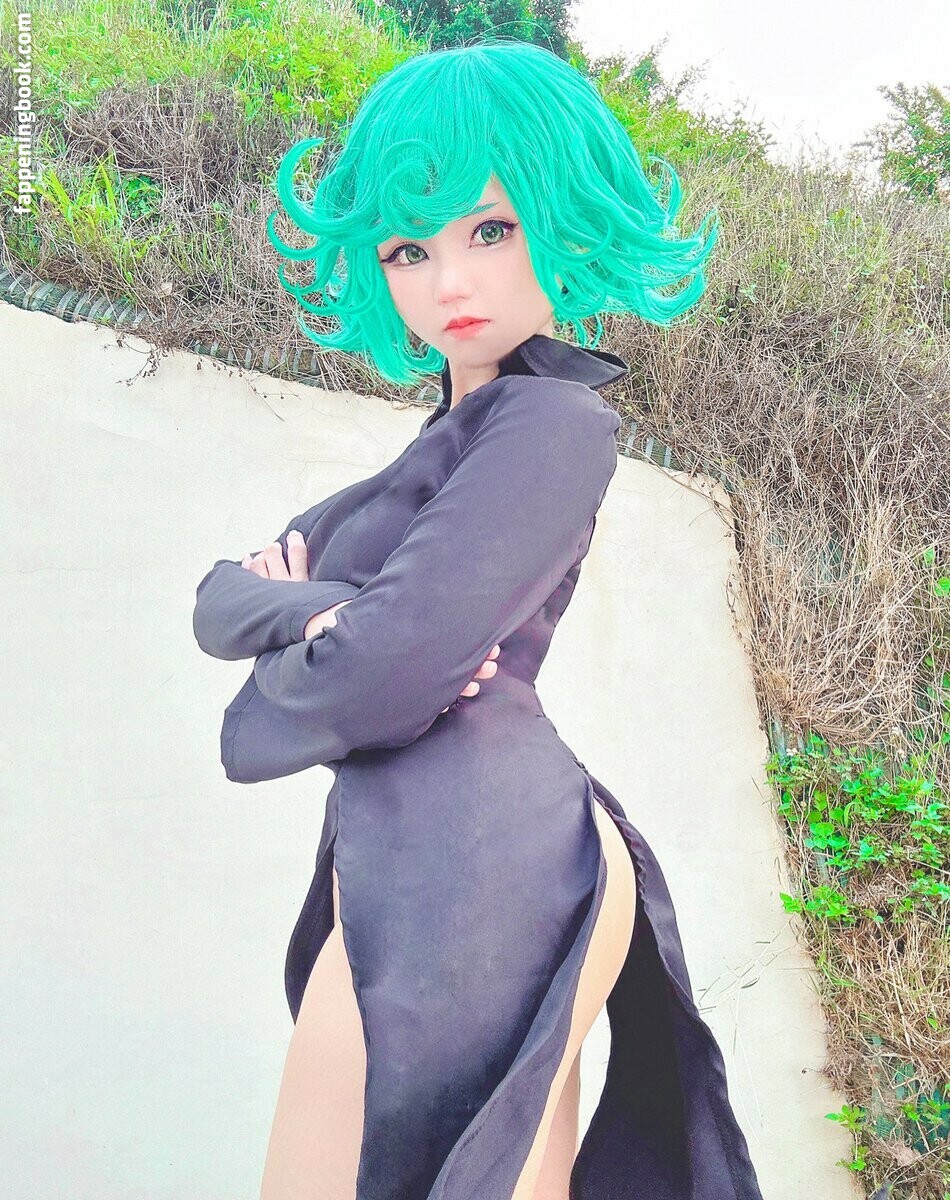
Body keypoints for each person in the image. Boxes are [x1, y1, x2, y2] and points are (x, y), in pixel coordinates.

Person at [192, 38, 765, 1200]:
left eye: (490, 231)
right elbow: (219, 602)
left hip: (485, 858)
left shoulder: (551, 422)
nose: (449, 282)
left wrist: (327, 628)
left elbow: (381, 674)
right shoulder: (437, 447)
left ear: (561, 219)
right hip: (420, 853)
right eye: (409, 249)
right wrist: (336, 615)